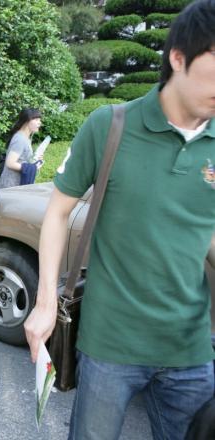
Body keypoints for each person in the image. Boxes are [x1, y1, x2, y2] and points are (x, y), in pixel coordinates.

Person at [24, 2, 215, 439]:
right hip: (110, 343)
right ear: (178, 58)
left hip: (190, 347)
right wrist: (45, 301)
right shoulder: (109, 126)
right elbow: (57, 212)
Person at [0, 108, 43, 189]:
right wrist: (33, 167)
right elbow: (10, 163)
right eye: (36, 120)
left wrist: (35, 159)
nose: (39, 122)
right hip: (10, 187)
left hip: (17, 185)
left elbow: (22, 159)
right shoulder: (20, 139)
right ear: (26, 121)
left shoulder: (26, 137)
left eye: (39, 120)